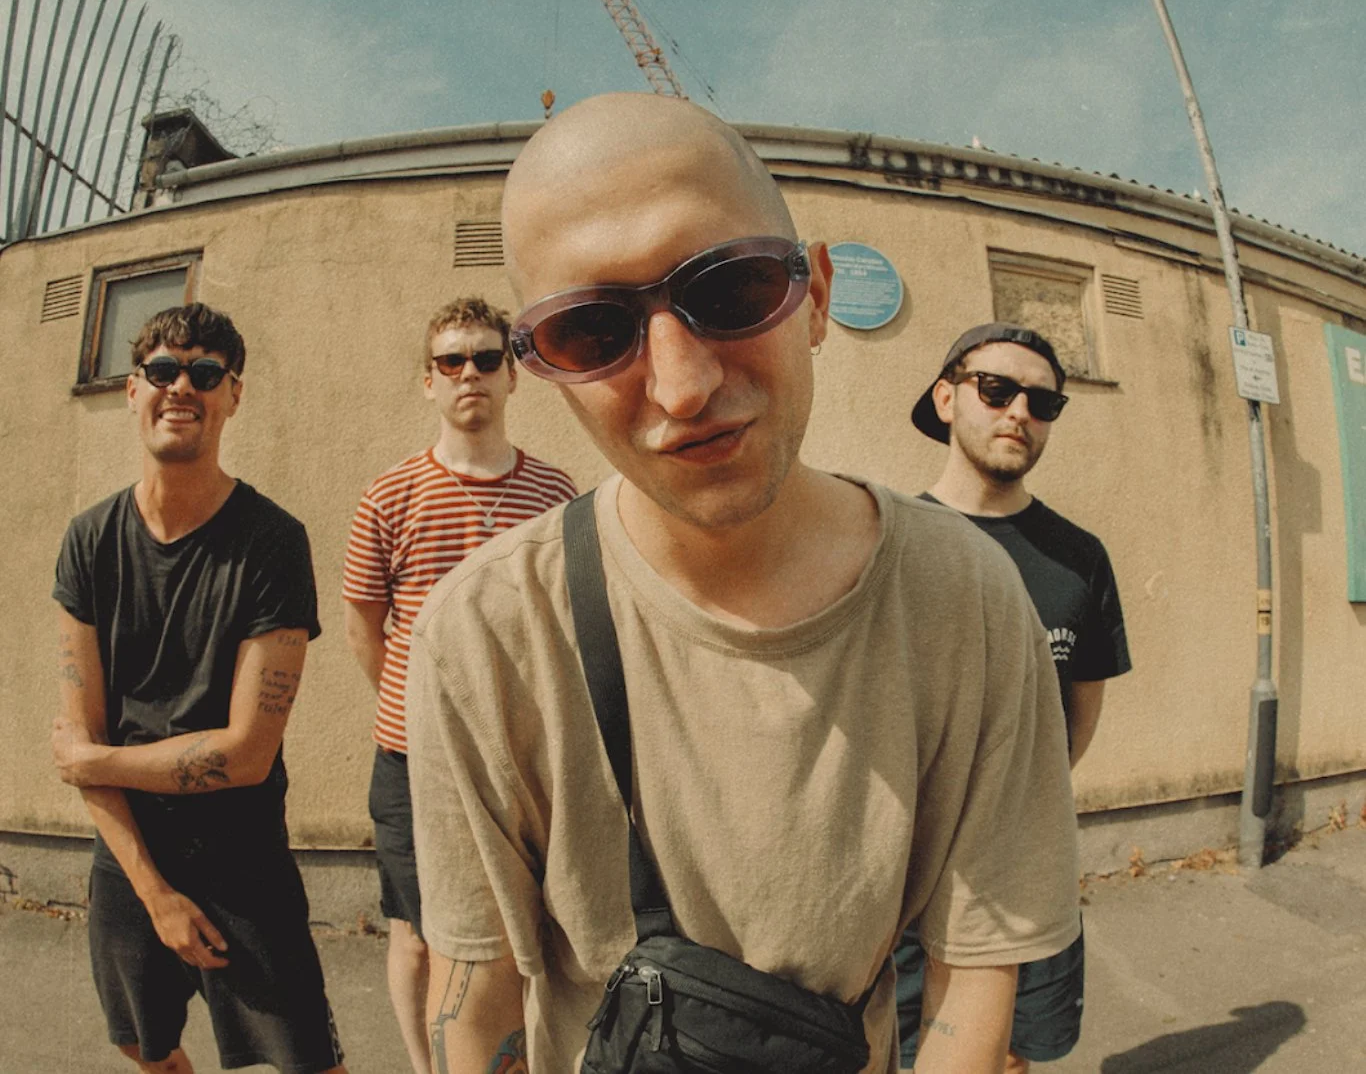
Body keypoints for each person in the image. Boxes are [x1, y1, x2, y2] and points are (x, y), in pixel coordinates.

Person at [406, 93, 1081, 1074]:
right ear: (542, 367)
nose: (680, 387)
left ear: (812, 295)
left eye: (728, 289)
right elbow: (476, 1008)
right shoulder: (486, 630)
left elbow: (972, 974)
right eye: (594, 331)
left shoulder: (965, 599)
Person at [50, 303, 345, 1074]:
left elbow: (245, 754)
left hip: (241, 853)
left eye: (205, 373)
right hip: (129, 852)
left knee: (306, 1060)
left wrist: (93, 763)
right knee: (140, 1044)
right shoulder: (89, 541)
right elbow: (79, 730)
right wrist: (152, 893)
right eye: (162, 370)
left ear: (232, 396)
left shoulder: (273, 542)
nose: (182, 386)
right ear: (131, 388)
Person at [341, 296, 575, 1074]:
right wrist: (417, 711)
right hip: (411, 760)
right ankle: (425, 1065)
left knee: (523, 931)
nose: (467, 373)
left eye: (484, 358)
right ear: (428, 382)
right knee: (416, 931)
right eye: (451, 361)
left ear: (512, 376)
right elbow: (365, 624)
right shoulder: (389, 496)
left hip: (522, 762)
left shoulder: (556, 496)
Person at [897, 322, 1132, 1072]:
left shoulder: (1078, 556)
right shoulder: (891, 543)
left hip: (1030, 871)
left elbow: (1080, 709)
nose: (1018, 413)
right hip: (908, 884)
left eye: (1043, 401)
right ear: (946, 398)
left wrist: (1021, 798)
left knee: (1015, 1057)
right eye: (995, 389)